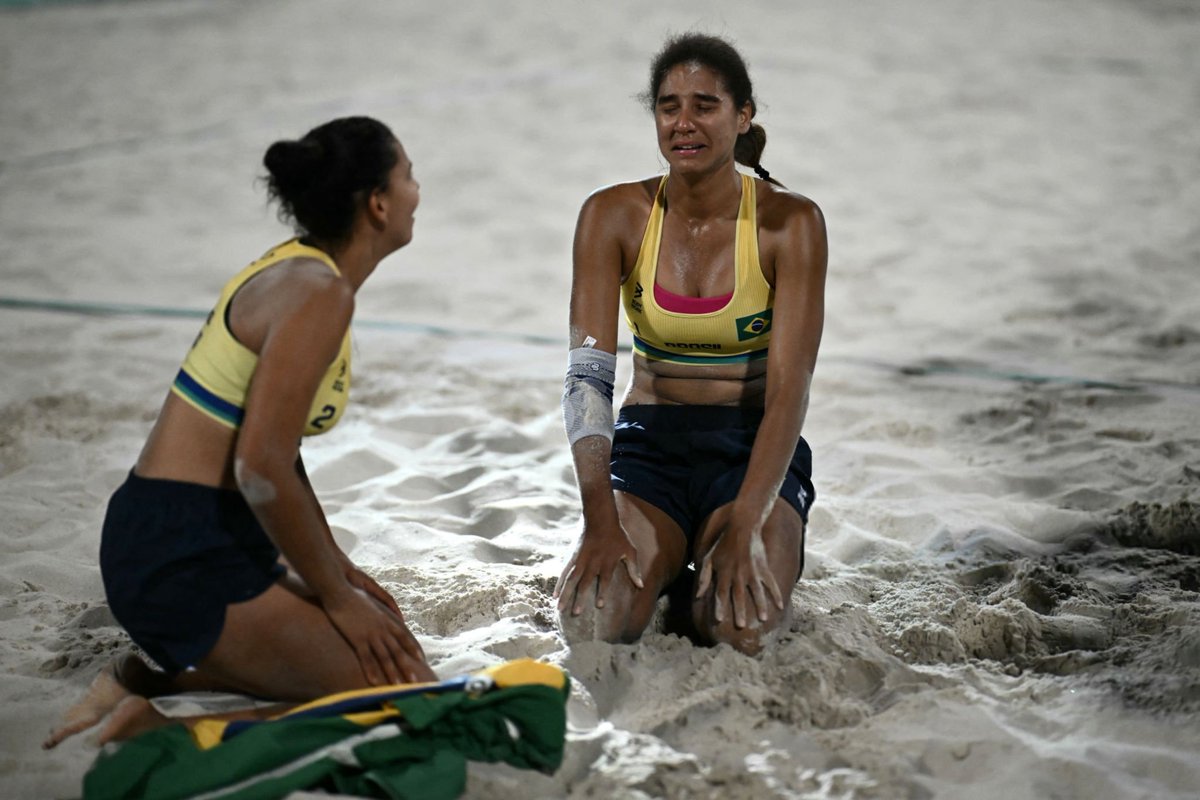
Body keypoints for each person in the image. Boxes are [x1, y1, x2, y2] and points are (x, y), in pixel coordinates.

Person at [44, 116, 435, 749]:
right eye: (409, 176)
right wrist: (336, 598)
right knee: (407, 694)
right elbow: (261, 466)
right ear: (378, 204)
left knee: (392, 644)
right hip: (178, 549)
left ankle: (146, 679)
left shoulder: (303, 270)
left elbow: (282, 449)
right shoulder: (319, 293)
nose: (418, 191)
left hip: (204, 530)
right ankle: (161, 726)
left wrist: (337, 569)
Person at [554, 34, 827, 655]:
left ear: (743, 115)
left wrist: (748, 522)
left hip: (749, 449)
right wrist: (599, 520)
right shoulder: (611, 215)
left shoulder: (792, 222)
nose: (684, 122)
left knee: (740, 627)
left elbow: (790, 392)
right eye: (668, 106)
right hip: (651, 447)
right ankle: (672, 558)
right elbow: (586, 379)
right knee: (595, 621)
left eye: (705, 105)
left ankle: (711, 552)